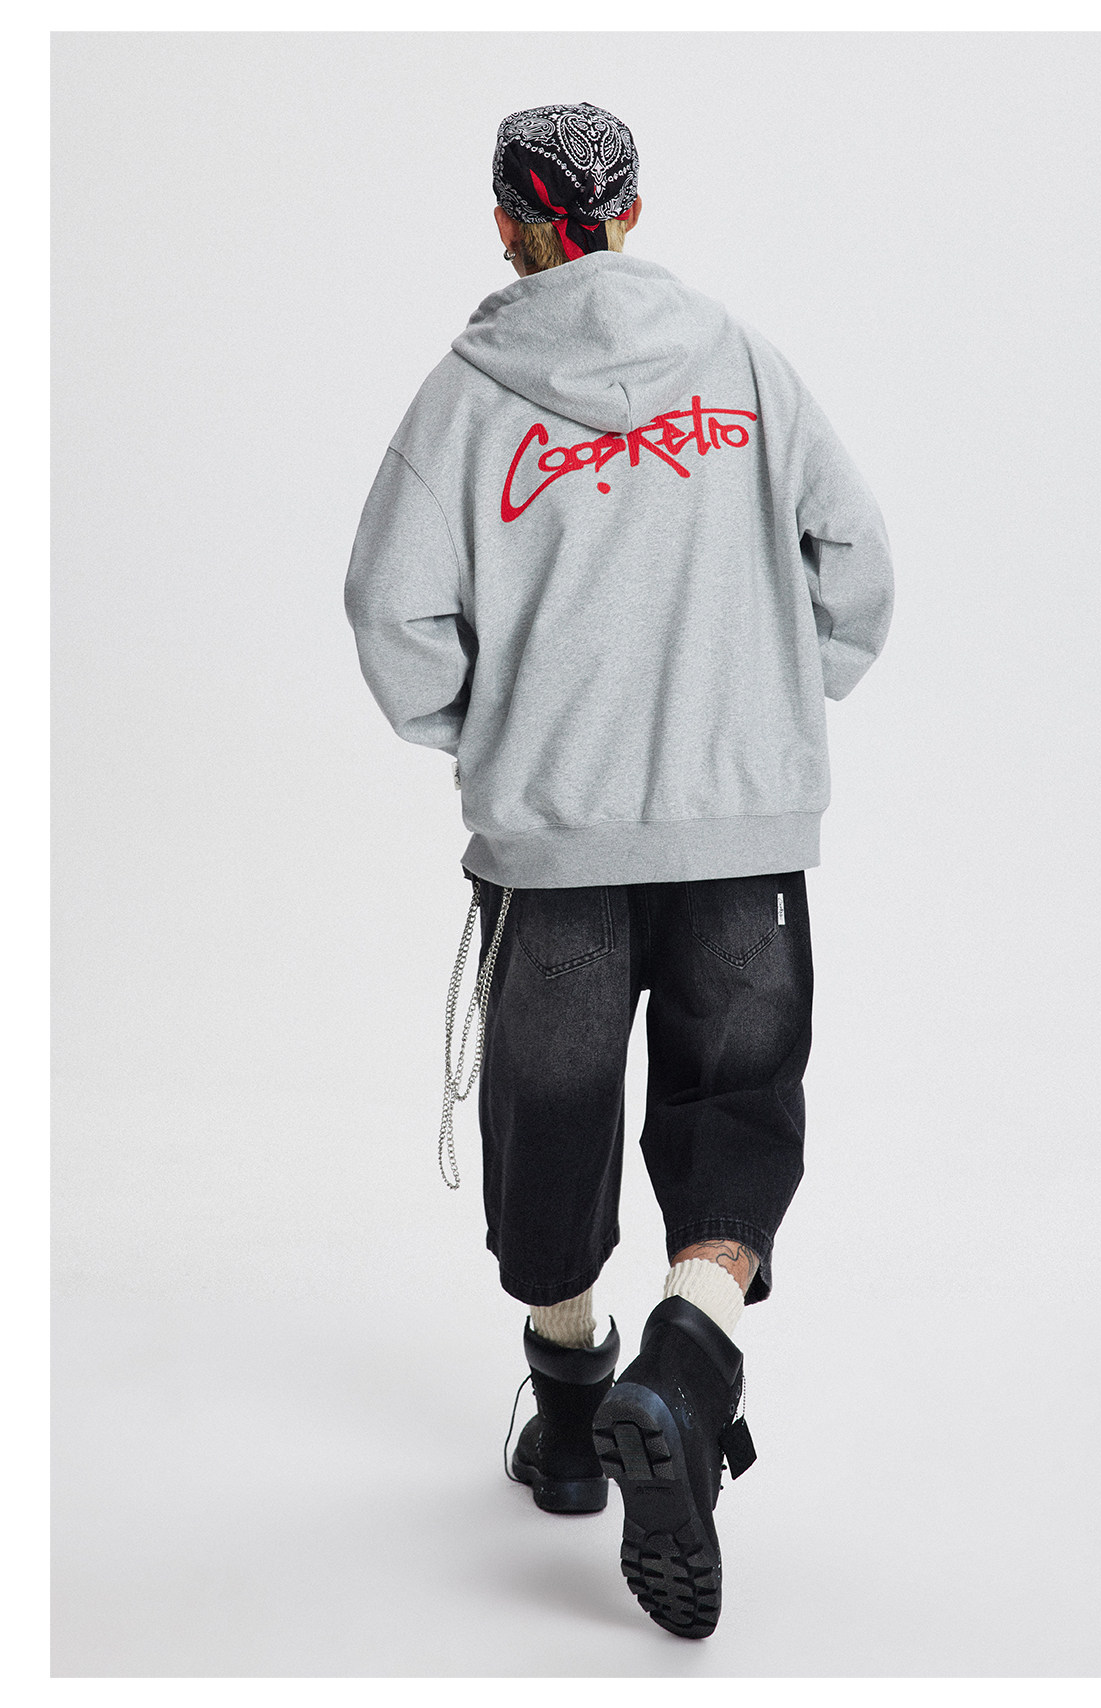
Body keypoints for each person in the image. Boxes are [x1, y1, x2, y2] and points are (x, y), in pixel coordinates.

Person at [344, 100, 893, 1639]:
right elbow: (860, 568)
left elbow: (391, 620)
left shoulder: (464, 400)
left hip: (556, 848)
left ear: (506, 225)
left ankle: (579, 1407)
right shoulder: (746, 366)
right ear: (633, 212)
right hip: (742, 836)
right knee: (737, 1105)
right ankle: (690, 1357)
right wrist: (773, 707)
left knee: (552, 1121)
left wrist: (493, 738)